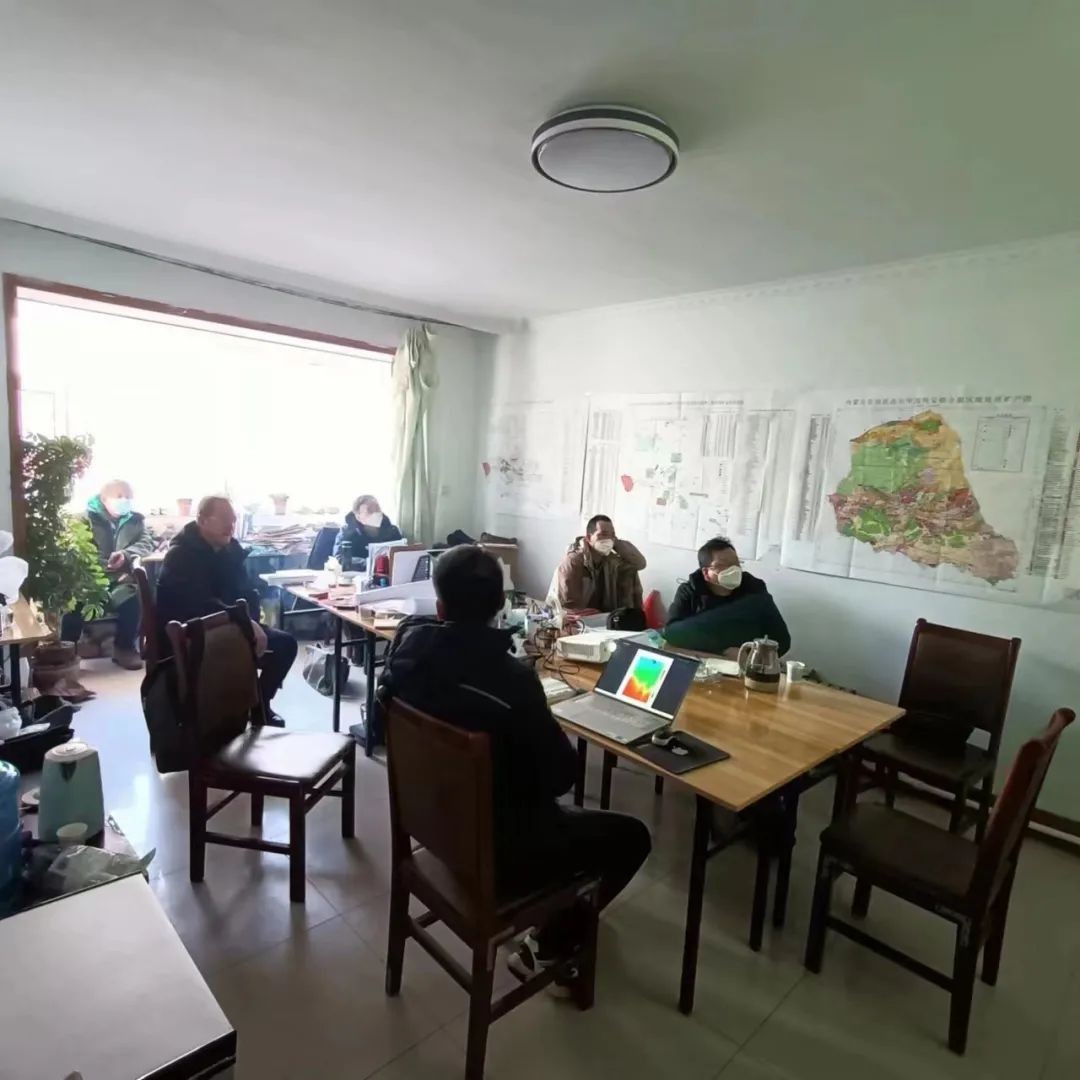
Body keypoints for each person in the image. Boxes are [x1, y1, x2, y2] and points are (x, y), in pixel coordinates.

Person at [380, 545, 651, 981]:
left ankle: (560, 918)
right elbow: (561, 778)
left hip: (435, 823)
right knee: (632, 836)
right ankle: (548, 943)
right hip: (501, 852)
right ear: (501, 609)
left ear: (440, 605)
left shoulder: (406, 652)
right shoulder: (513, 681)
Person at [155, 496, 297, 718]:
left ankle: (259, 705)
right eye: (224, 520)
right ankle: (233, 711)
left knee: (286, 644)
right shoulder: (180, 555)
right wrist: (246, 623)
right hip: (193, 631)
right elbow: (200, 605)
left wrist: (252, 621)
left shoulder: (230, 549)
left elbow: (246, 591)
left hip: (230, 622)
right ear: (202, 521)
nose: (231, 527)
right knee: (265, 645)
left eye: (233, 520)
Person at [62, 479, 155, 670]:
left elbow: (146, 543)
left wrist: (126, 555)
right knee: (74, 605)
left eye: (128, 497)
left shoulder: (136, 521)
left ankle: (124, 649)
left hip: (121, 580)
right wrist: (105, 565)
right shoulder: (84, 519)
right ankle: (66, 652)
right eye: (119, 496)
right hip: (90, 580)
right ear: (104, 499)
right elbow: (77, 548)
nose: (124, 500)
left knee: (132, 600)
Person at [665, 536, 791, 657]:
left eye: (736, 564)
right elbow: (671, 634)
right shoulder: (689, 591)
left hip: (743, 664)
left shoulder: (754, 590)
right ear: (706, 573)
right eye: (723, 565)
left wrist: (749, 654)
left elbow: (782, 642)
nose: (733, 570)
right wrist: (720, 652)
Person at [554, 514, 646, 612]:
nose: (608, 539)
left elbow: (639, 563)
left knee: (629, 570)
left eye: (612, 535)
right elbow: (570, 606)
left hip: (599, 615)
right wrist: (591, 615)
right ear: (589, 538)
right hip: (574, 616)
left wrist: (616, 543)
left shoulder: (610, 559)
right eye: (603, 534)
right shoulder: (574, 561)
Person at [334, 495, 402, 565]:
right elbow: (341, 558)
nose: (375, 513)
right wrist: (370, 564)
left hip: (386, 571)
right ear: (358, 517)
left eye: (377, 509)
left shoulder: (392, 531)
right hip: (357, 571)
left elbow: (401, 556)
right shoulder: (346, 532)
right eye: (370, 511)